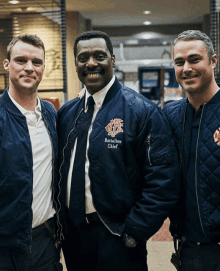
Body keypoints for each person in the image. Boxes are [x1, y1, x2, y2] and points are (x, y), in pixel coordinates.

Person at [58, 30, 180, 271]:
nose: (91, 63)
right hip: (73, 238)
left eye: (99, 56)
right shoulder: (66, 114)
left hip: (118, 238)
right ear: (75, 64)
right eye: (83, 57)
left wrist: (134, 231)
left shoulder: (142, 112)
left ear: (113, 60)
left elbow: (163, 182)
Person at [0, 34, 62, 271]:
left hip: (45, 240)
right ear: (7, 65)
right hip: (5, 246)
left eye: (36, 62)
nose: (29, 68)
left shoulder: (51, 113)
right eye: (21, 60)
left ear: (44, 67)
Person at [163, 30, 220, 271]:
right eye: (179, 62)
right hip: (189, 248)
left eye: (194, 59)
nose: (186, 68)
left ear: (213, 61)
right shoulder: (169, 116)